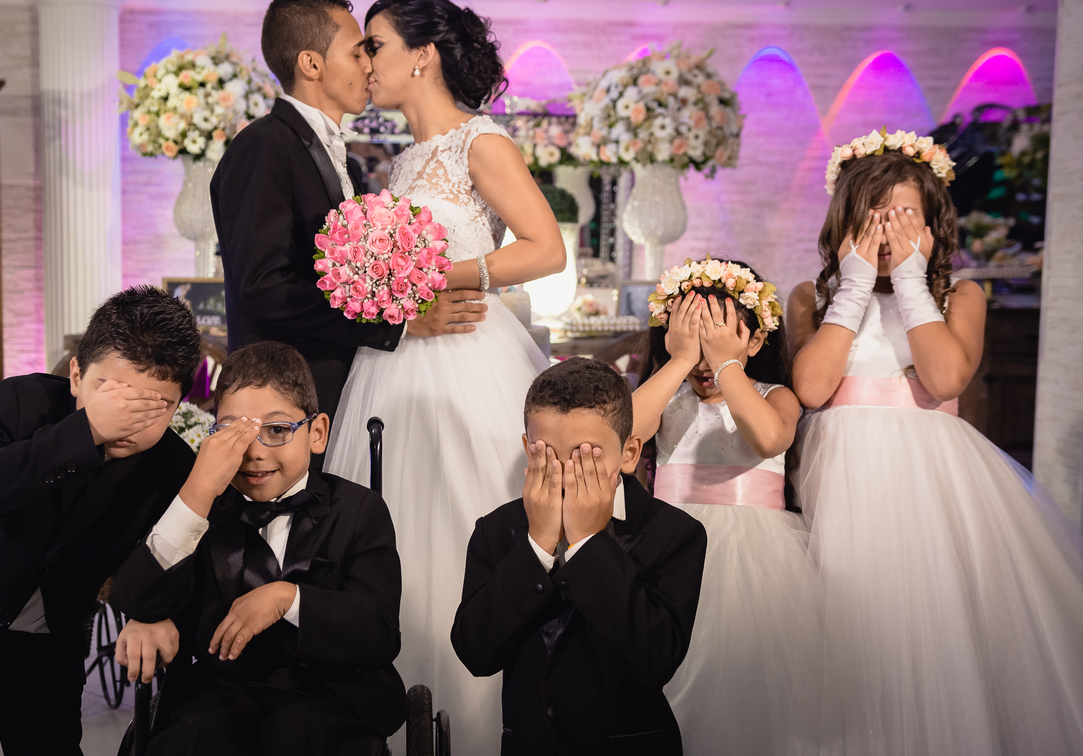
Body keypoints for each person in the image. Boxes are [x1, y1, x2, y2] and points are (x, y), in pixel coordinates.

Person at [324, 0, 566, 754]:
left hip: (466, 359)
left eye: (377, 45)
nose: (367, 61)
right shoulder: (397, 164)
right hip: (392, 367)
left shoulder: (479, 143)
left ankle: (479, 717)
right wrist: (388, 291)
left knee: (464, 526)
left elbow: (545, 247)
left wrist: (436, 277)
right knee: (388, 531)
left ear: (423, 55)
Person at [788, 131, 1083, 755]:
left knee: (922, 623)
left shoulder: (960, 295)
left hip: (926, 483)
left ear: (933, 224)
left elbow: (946, 377)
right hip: (838, 480)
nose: (888, 231)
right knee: (845, 622)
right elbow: (813, 388)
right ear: (846, 223)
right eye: (875, 216)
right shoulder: (812, 299)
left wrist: (916, 284)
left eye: (904, 216)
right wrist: (855, 287)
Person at [0, 286, 201, 756]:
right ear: (76, 374)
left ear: (178, 405)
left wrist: (151, 612)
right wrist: (86, 430)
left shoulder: (171, 465)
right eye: (112, 395)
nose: (126, 420)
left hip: (46, 634)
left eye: (152, 407)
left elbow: (168, 555)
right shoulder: (22, 401)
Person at [109, 341, 405, 756]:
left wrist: (290, 597)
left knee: (296, 738)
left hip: (329, 691)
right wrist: (199, 491)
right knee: (195, 740)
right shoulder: (203, 509)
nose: (254, 452)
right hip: (225, 688)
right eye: (234, 430)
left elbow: (379, 633)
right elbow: (136, 596)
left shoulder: (359, 510)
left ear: (316, 433)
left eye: (277, 429)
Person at [213, 0, 485, 419]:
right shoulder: (263, 147)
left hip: (339, 394)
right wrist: (396, 324)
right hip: (284, 401)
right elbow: (265, 288)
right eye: (358, 52)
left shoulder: (346, 163)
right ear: (311, 63)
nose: (368, 66)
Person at [450, 357, 707, 756]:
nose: (568, 472)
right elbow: (476, 652)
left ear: (629, 452)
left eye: (586, 455)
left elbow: (657, 658)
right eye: (547, 454)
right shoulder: (497, 531)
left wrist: (588, 541)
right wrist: (536, 545)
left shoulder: (675, 534)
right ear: (526, 447)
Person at [632, 259, 822, 756]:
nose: (703, 361)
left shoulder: (776, 396)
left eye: (720, 339)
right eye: (692, 342)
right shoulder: (667, 396)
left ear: (755, 340)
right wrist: (676, 361)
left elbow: (767, 437)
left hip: (755, 560)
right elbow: (622, 434)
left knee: (747, 684)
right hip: (669, 552)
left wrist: (727, 364)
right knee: (671, 679)